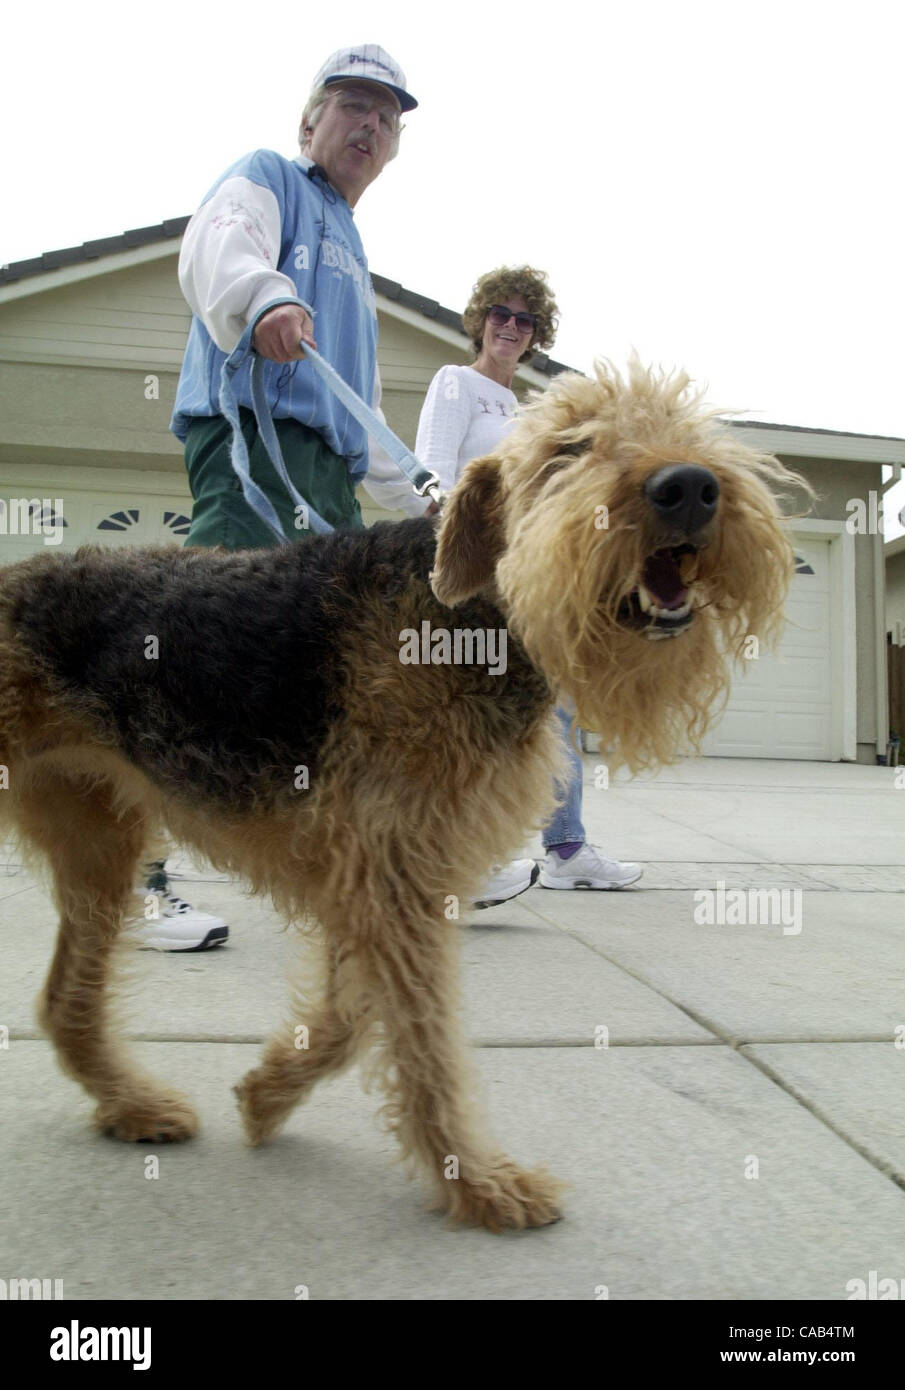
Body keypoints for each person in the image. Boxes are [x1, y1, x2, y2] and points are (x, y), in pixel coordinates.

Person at [127, 45, 428, 950]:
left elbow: (357, 409)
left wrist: (423, 493)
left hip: (325, 476)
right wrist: (261, 299)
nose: (368, 125)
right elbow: (214, 242)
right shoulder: (269, 181)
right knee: (196, 650)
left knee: (338, 669)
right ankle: (132, 882)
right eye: (351, 106)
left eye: (385, 116)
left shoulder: (353, 251)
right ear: (311, 123)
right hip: (255, 446)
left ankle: (374, 868)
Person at [415, 266, 643, 907]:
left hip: (526, 582)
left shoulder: (528, 409)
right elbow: (428, 476)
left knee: (554, 707)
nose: (511, 328)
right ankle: (459, 863)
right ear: (480, 320)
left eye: (524, 320)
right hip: (468, 578)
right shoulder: (455, 383)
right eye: (500, 315)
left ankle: (566, 848)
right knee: (469, 720)